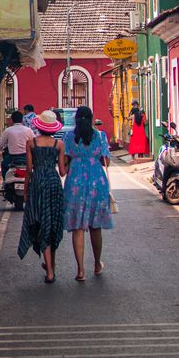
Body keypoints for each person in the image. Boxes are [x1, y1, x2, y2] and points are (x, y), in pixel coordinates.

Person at [64, 105, 113, 281]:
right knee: (95, 226)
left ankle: (80, 270)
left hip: (75, 182)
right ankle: (97, 264)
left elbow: (65, 161)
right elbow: (106, 160)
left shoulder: (69, 137)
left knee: (77, 227)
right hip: (96, 183)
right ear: (92, 118)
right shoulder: (100, 136)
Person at [18, 110, 66, 283]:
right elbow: (62, 172)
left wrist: (25, 192)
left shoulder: (31, 143)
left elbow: (29, 170)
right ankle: (51, 266)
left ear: (39, 126)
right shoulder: (59, 145)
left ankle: (50, 272)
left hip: (38, 183)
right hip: (53, 183)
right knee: (52, 224)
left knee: (41, 223)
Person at [0, 110, 34, 180]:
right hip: (26, 157)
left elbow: (0, 145)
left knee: (4, 165)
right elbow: (34, 143)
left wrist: (0, 149)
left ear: (12, 120)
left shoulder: (8, 130)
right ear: (22, 120)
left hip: (12, 158)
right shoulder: (28, 130)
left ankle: (5, 182)